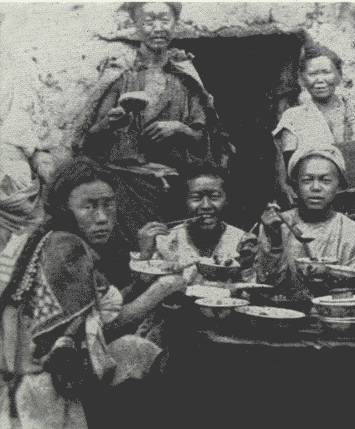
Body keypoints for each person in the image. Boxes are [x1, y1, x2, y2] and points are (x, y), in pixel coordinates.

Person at [0, 158, 188, 428]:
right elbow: (97, 335)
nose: (102, 217)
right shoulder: (66, 249)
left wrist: (140, 281)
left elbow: (95, 311)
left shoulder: (51, 237)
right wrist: (163, 288)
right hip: (39, 394)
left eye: (108, 204)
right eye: (88, 207)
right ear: (66, 207)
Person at [71, 2, 231, 248]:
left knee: (173, 250)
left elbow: (203, 137)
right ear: (135, 26)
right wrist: (109, 122)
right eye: (148, 21)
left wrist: (179, 128)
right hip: (127, 186)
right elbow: (90, 138)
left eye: (164, 20)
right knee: (131, 251)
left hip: (175, 187)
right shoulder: (121, 74)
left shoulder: (184, 77)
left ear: (175, 24)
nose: (158, 28)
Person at [135, 161, 258, 346]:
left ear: (227, 199)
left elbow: (252, 295)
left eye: (215, 196)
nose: (206, 205)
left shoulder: (242, 241)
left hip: (228, 332)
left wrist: (246, 267)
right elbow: (145, 294)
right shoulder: (165, 241)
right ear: (184, 200)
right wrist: (145, 254)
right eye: (196, 197)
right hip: (173, 332)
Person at [273, 43, 355, 206]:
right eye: (312, 74)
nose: (320, 80)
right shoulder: (293, 119)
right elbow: (288, 172)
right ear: (302, 79)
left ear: (339, 75)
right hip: (316, 204)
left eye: (326, 72)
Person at [257, 146, 355, 302]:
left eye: (325, 180)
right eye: (307, 180)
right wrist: (275, 243)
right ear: (295, 187)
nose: (315, 188)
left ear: (339, 185)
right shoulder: (275, 225)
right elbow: (264, 288)